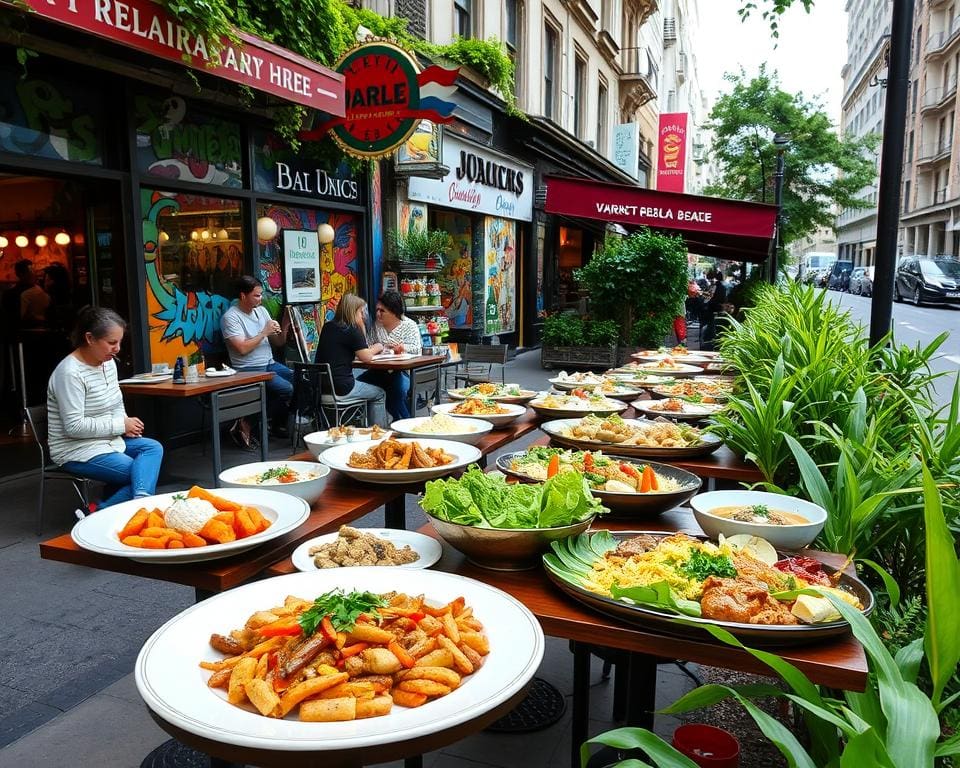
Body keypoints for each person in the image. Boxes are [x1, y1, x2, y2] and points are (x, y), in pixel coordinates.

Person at [47, 306, 163, 509]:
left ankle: (106, 508)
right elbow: (74, 427)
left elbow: (116, 401)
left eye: (119, 342)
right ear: (90, 338)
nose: (117, 348)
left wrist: (127, 427)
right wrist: (120, 424)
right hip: (76, 449)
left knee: (152, 448)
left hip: (108, 441)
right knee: (139, 475)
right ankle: (132, 507)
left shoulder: (108, 362)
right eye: (111, 343)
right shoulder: (70, 373)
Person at [220, 275, 294, 440]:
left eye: (261, 294)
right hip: (248, 369)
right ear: (242, 295)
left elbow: (278, 342)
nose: (261, 299)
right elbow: (242, 349)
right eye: (257, 295)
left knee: (298, 381)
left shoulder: (261, 311)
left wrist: (286, 325)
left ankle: (276, 425)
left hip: (269, 363)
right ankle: (247, 421)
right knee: (286, 388)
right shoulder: (230, 318)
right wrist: (264, 332)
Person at [314, 293, 386, 426]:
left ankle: (357, 423)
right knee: (379, 393)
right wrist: (378, 346)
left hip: (321, 388)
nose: (363, 316)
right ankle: (378, 432)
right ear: (353, 312)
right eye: (360, 312)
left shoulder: (328, 327)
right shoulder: (351, 329)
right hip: (342, 388)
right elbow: (366, 357)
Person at [359, 290, 422, 420]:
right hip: (377, 371)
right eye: (377, 310)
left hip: (403, 373)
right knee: (357, 384)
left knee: (395, 390)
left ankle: (404, 421)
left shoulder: (410, 326)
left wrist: (402, 349)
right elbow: (367, 347)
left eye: (382, 311)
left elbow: (417, 350)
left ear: (394, 312)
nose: (378, 314)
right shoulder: (375, 327)